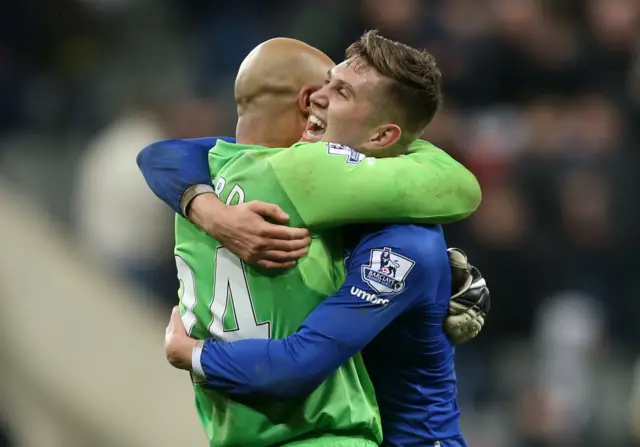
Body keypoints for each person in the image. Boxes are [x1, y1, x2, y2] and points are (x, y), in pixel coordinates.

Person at [140, 33, 488, 447]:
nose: (315, 99)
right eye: (326, 83)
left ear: (381, 138)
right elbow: (173, 154)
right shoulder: (305, 185)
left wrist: (192, 353)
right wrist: (209, 210)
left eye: (340, 92)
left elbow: (297, 365)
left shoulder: (403, 243)